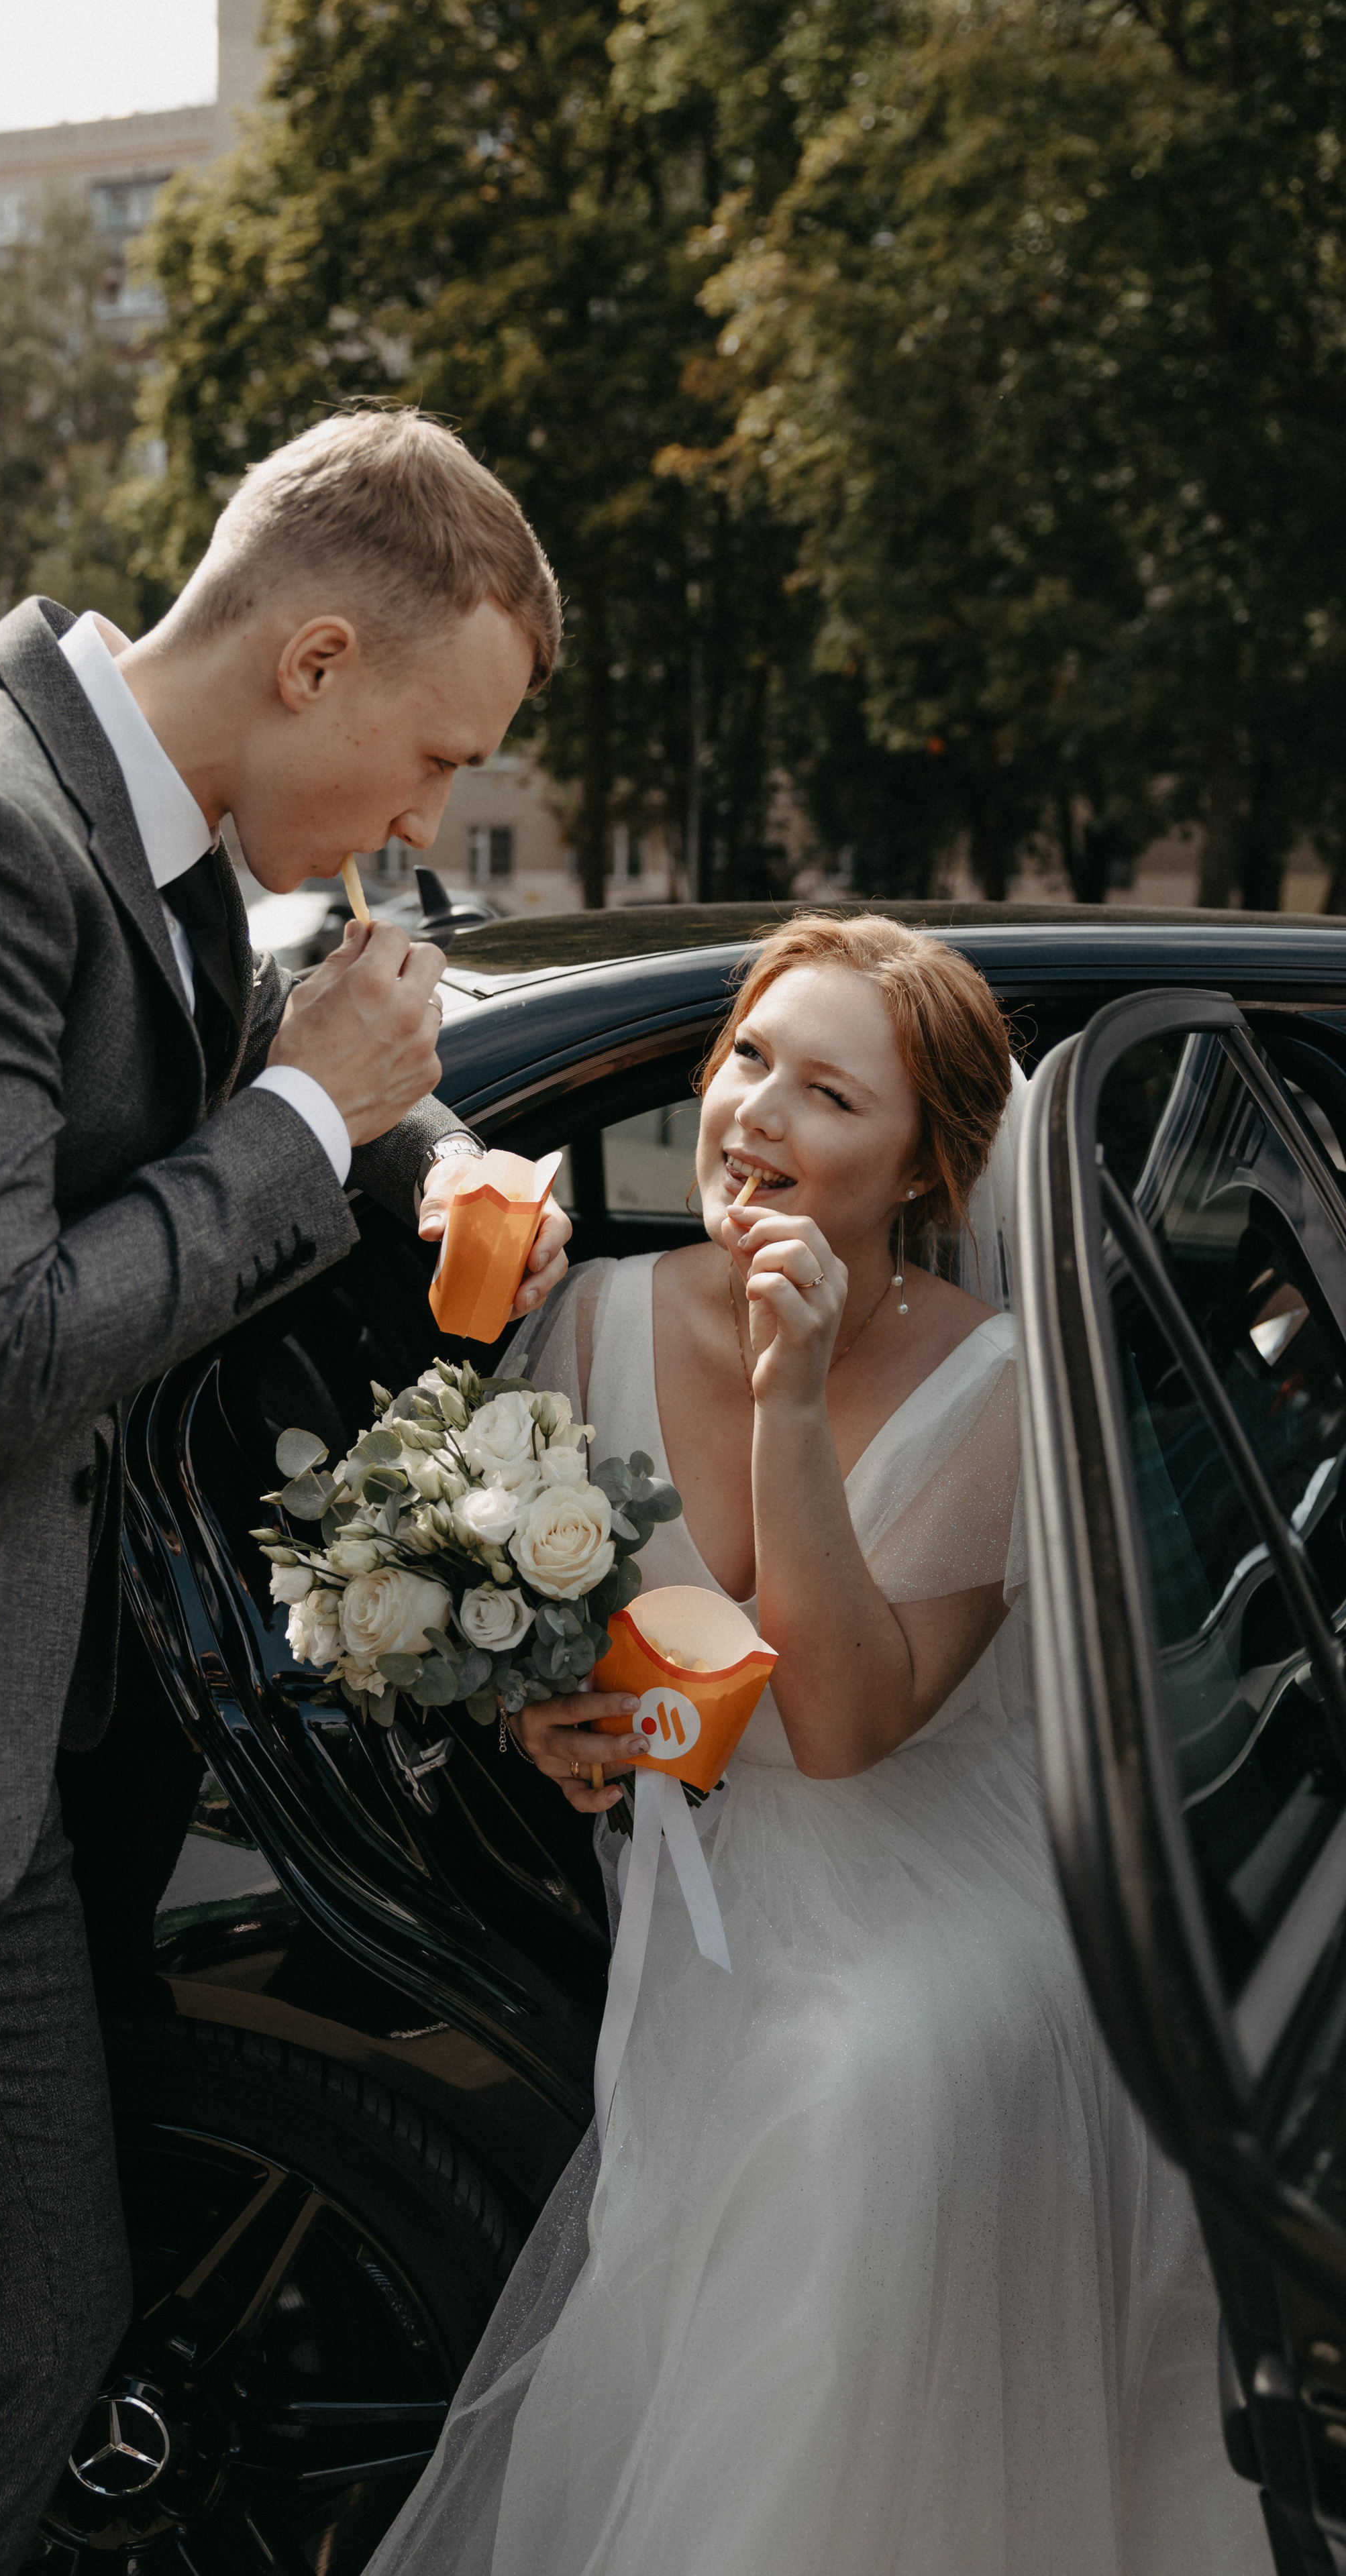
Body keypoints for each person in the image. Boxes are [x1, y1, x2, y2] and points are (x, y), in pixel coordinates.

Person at [0, 409, 571, 2576]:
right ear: (315, 661)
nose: (425, 824)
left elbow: (212, 1071)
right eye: (436, 758)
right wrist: (314, 1122)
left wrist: (433, 1161)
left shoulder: (142, 824)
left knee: (40, 2338)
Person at [368, 915, 1265, 2576]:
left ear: (921, 1165)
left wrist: (791, 1402)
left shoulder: (996, 1378)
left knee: (858, 2079)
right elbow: (532, 1628)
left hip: (933, 1879)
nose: (757, 1115)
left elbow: (844, 1729)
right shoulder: (591, 1315)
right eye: (747, 1061)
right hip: (709, 1873)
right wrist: (546, 1720)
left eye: (830, 1095)